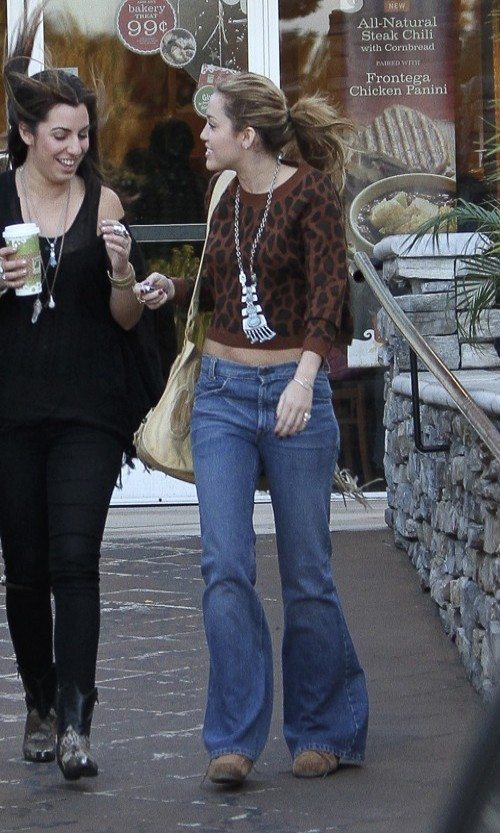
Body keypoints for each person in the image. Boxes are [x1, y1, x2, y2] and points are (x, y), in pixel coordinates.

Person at [135, 72, 369, 784]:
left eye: (212, 124)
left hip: (293, 388)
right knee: (225, 566)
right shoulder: (222, 196)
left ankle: (324, 727)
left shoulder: (311, 194)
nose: (201, 136)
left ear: (248, 134)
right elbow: (219, 289)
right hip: (223, 394)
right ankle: (232, 739)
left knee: (306, 571)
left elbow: (329, 295)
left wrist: (303, 379)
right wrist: (170, 289)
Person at [0, 10, 162, 781]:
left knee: (75, 561)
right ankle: (37, 701)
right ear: (27, 132)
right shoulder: (0, 200)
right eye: (60, 135)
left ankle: (75, 720)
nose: (74, 149)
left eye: (83, 136)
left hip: (88, 412)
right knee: (25, 569)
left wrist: (125, 272)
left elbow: (126, 317)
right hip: (10, 411)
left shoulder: (105, 205)